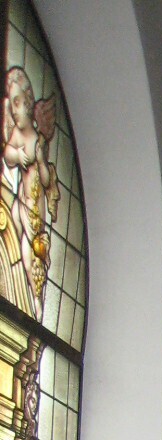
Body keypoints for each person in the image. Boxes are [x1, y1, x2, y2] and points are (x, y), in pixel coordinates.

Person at [2, 67, 58, 313]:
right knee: (11, 236)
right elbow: (7, 155)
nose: (15, 111)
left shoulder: (37, 140)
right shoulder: (16, 134)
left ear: (29, 102)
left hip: (35, 213)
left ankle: (35, 301)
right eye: (12, 105)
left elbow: (45, 180)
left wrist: (41, 161)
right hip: (21, 203)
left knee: (29, 253)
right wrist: (17, 155)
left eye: (18, 103)